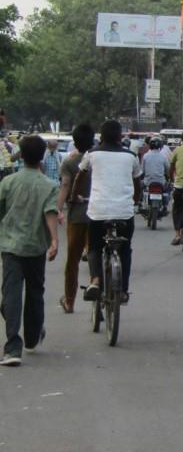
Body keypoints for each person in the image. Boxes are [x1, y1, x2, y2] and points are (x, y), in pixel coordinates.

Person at [0, 135, 59, 366]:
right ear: (42, 155)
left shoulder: (8, 182)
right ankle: (33, 337)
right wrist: (54, 241)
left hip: (11, 247)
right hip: (36, 247)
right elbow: (50, 213)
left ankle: (13, 347)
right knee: (35, 292)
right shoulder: (49, 185)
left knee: (11, 295)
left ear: (21, 155)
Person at [75, 120, 141, 303]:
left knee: (94, 246)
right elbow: (138, 184)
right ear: (120, 136)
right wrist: (134, 201)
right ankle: (123, 290)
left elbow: (79, 178)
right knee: (125, 249)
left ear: (101, 136)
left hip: (98, 212)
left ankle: (95, 280)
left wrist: (74, 196)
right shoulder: (131, 156)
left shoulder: (92, 154)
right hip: (124, 214)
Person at [55, 124, 94, 314]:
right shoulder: (99, 158)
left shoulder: (69, 162)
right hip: (98, 215)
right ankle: (100, 288)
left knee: (73, 261)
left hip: (77, 216)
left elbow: (65, 185)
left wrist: (57, 210)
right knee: (97, 255)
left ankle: (69, 301)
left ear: (75, 143)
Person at [141, 138, 170, 215]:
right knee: (167, 190)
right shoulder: (163, 156)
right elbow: (168, 169)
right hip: (161, 181)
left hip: (148, 182)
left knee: (140, 187)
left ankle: (140, 203)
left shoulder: (145, 156)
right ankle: (165, 205)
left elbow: (142, 170)